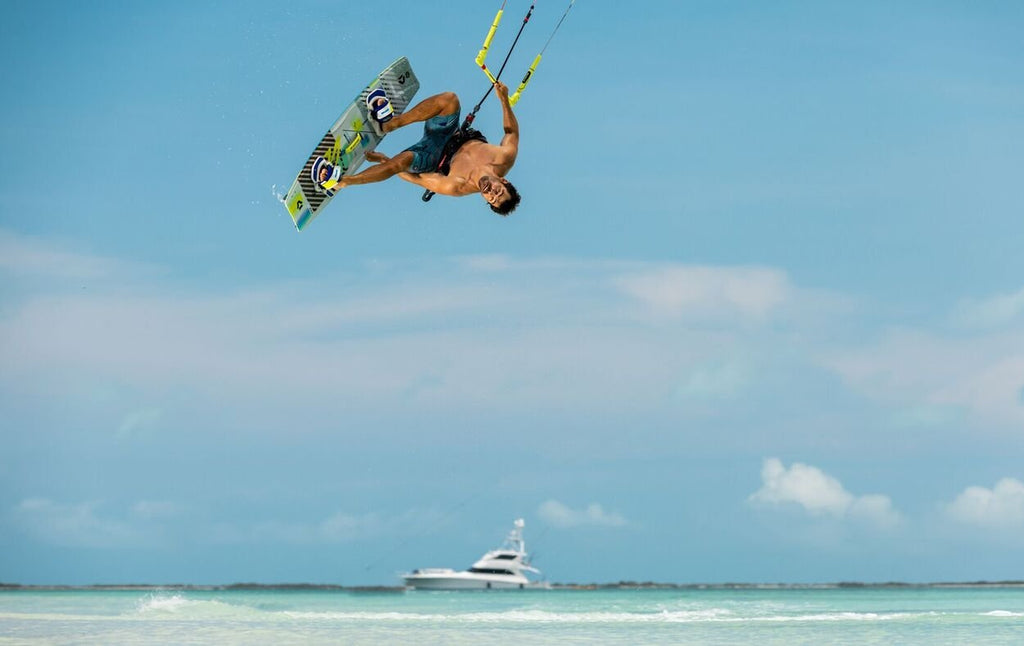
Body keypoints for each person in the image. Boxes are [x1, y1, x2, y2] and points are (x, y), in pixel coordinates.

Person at [317, 81, 521, 215]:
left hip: (431, 155)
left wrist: (386, 161)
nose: (491, 193)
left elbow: (417, 178)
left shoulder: (456, 186)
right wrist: (504, 99)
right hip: (449, 133)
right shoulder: (504, 158)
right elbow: (511, 133)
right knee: (450, 99)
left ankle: (343, 182)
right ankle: (390, 124)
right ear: (504, 181)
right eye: (499, 191)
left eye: (492, 200)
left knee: (401, 163)